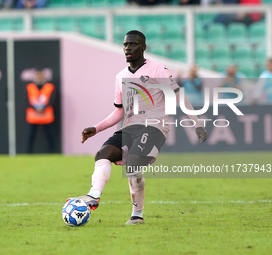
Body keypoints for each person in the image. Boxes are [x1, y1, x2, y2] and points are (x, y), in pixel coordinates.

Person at [68, 30, 208, 225]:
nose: (128, 48)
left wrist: (198, 124)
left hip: (154, 127)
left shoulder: (158, 70)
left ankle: (137, 215)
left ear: (143, 47)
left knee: (133, 163)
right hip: (130, 127)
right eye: (125, 44)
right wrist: (97, 128)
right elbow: (119, 112)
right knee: (103, 153)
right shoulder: (121, 76)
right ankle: (93, 195)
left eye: (133, 44)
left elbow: (178, 97)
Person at [26, 69, 56, 153]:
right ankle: (29, 153)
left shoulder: (49, 87)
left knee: (49, 135)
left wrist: (44, 108)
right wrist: (35, 108)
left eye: (41, 76)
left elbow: (52, 100)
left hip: (46, 116)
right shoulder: (30, 87)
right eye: (37, 76)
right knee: (31, 136)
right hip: (33, 117)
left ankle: (52, 152)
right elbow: (26, 100)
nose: (39, 78)